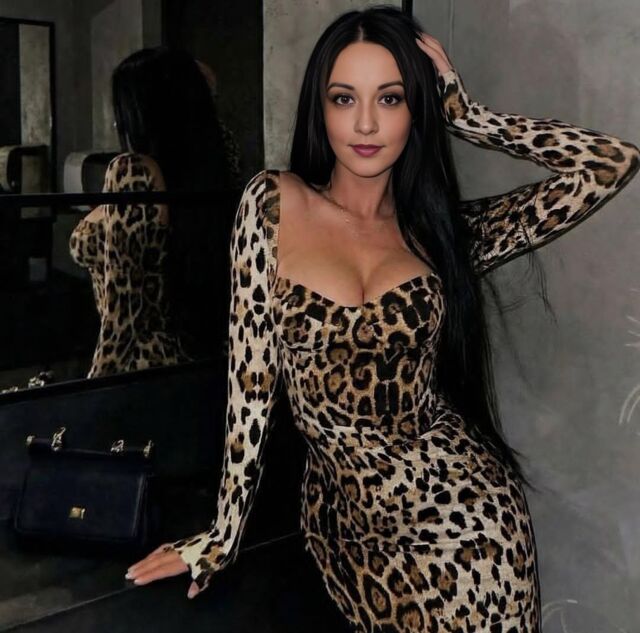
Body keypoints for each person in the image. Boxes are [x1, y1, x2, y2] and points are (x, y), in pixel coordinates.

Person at [124, 7, 639, 632]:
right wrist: (222, 535)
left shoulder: (443, 236)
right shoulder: (273, 203)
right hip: (350, 525)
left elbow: (609, 163)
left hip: (474, 527)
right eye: (344, 98)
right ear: (320, 109)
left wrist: (468, 117)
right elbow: (250, 383)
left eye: (390, 98)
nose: (365, 123)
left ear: (416, 109)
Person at [69, 46, 236, 378]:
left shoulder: (132, 171)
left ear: (143, 110)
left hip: (140, 366)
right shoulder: (215, 164)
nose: (117, 120)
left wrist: (94, 388)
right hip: (199, 360)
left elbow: (123, 310)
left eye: (122, 107)